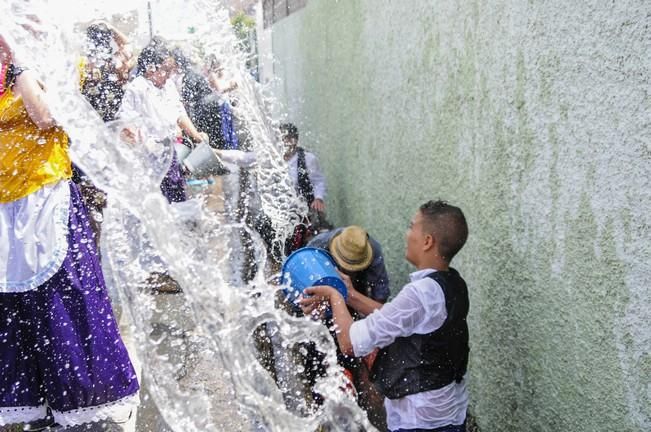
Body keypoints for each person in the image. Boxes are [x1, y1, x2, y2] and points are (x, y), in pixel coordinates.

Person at [0, 34, 139, 429]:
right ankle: (34, 402)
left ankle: (78, 402)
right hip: (6, 208)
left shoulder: (52, 57)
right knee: (16, 308)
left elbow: (45, 115)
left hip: (47, 202)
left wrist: (21, 58)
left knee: (62, 302)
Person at [301, 200, 470, 432]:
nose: (407, 233)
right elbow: (394, 317)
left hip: (420, 420)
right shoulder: (451, 283)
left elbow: (350, 343)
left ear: (428, 241)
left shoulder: (420, 294)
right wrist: (350, 295)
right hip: (447, 412)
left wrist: (335, 296)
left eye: (412, 226)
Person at [308, 225, 390, 304]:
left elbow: (381, 295)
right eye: (346, 266)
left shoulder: (373, 250)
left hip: (359, 283)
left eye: (352, 268)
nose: (348, 271)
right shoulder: (319, 245)